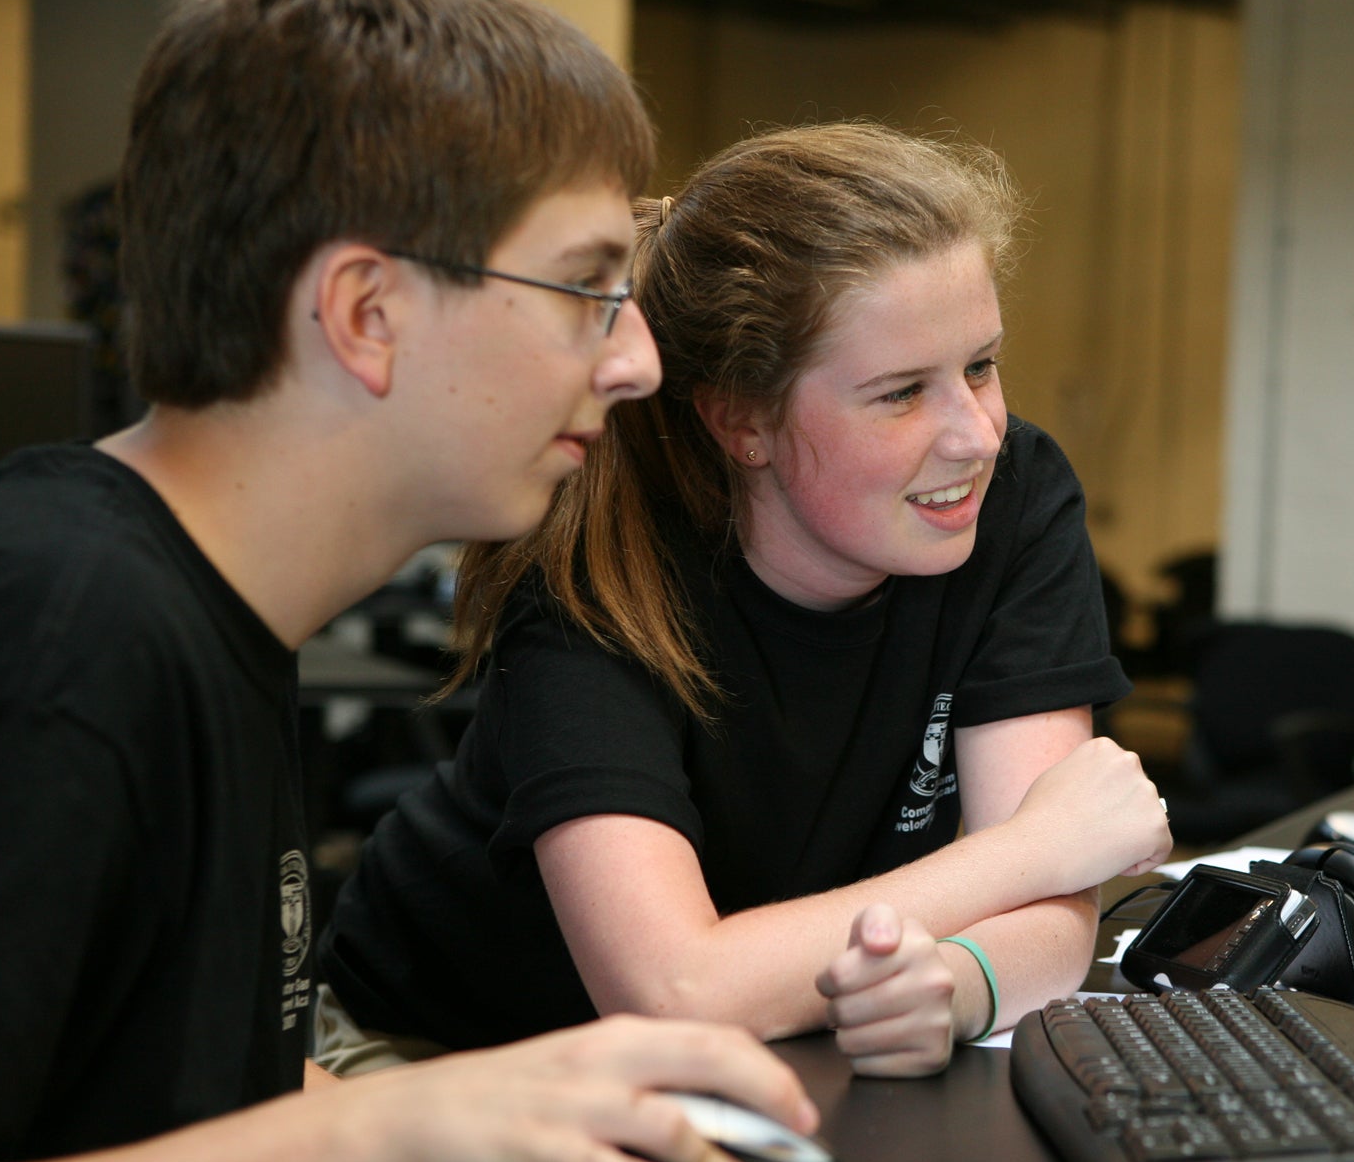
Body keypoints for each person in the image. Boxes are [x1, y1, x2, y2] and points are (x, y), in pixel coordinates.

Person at [0, 0, 819, 1162]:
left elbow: (161, 1100)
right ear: (367, 315)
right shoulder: (54, 642)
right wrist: (398, 1128)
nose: (637, 360)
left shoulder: (212, 620)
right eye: (587, 287)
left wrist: (496, 1117)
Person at [318, 123, 1174, 1080]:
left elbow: (1046, 922)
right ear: (742, 419)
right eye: (900, 394)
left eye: (980, 366)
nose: (974, 435)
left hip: (774, 1036)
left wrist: (961, 984)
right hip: (441, 1053)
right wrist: (1032, 848)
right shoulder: (599, 576)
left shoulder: (1006, 497)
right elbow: (677, 992)